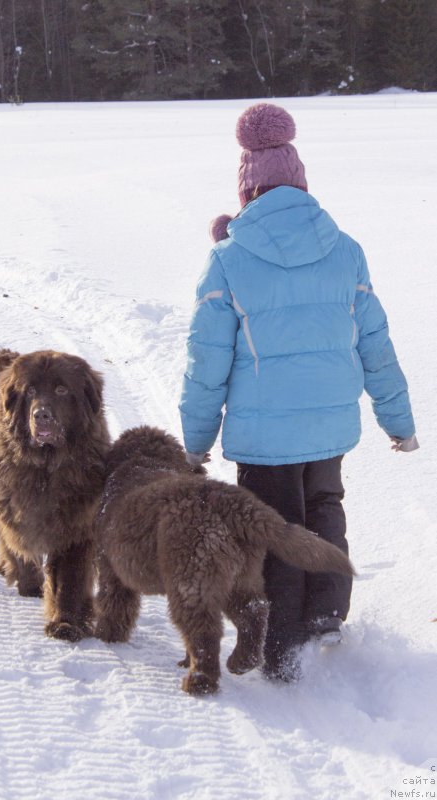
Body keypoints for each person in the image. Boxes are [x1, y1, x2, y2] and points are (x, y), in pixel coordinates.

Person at [179, 103, 418, 682]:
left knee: (273, 528)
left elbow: (206, 363)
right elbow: (376, 343)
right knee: (324, 508)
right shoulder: (345, 248)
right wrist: (398, 421)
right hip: (330, 424)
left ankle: (280, 648)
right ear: (301, 183)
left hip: (264, 435)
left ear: (247, 191)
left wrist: (194, 442)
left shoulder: (229, 258)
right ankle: (326, 614)